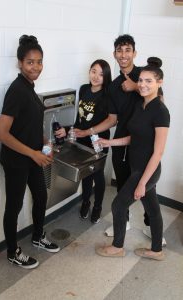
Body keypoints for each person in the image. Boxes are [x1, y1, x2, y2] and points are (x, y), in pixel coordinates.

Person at [96, 57, 170, 261]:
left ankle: (117, 247)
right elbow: (133, 138)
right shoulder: (141, 106)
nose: (143, 85)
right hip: (137, 166)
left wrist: (143, 182)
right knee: (153, 209)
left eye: (149, 81)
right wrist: (109, 143)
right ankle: (157, 251)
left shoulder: (161, 112)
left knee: (118, 206)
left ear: (159, 83)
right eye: (141, 80)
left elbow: (158, 152)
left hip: (146, 170)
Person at [0, 35, 60, 269]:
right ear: (20, 63)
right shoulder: (16, 90)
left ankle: (37, 236)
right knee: (14, 206)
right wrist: (33, 154)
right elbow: (2, 133)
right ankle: (13, 251)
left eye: (39, 61)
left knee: (41, 196)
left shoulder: (30, 88)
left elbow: (28, 125)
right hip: (16, 160)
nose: (36, 67)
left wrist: (45, 142)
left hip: (33, 156)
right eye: (30, 62)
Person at [55, 59, 111, 223]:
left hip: (99, 141)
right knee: (86, 175)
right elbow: (80, 122)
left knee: (98, 175)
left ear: (106, 77)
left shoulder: (108, 95)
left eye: (101, 74)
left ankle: (98, 207)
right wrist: (67, 129)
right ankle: (86, 202)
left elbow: (109, 120)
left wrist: (88, 132)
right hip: (82, 141)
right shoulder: (84, 89)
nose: (96, 76)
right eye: (93, 71)